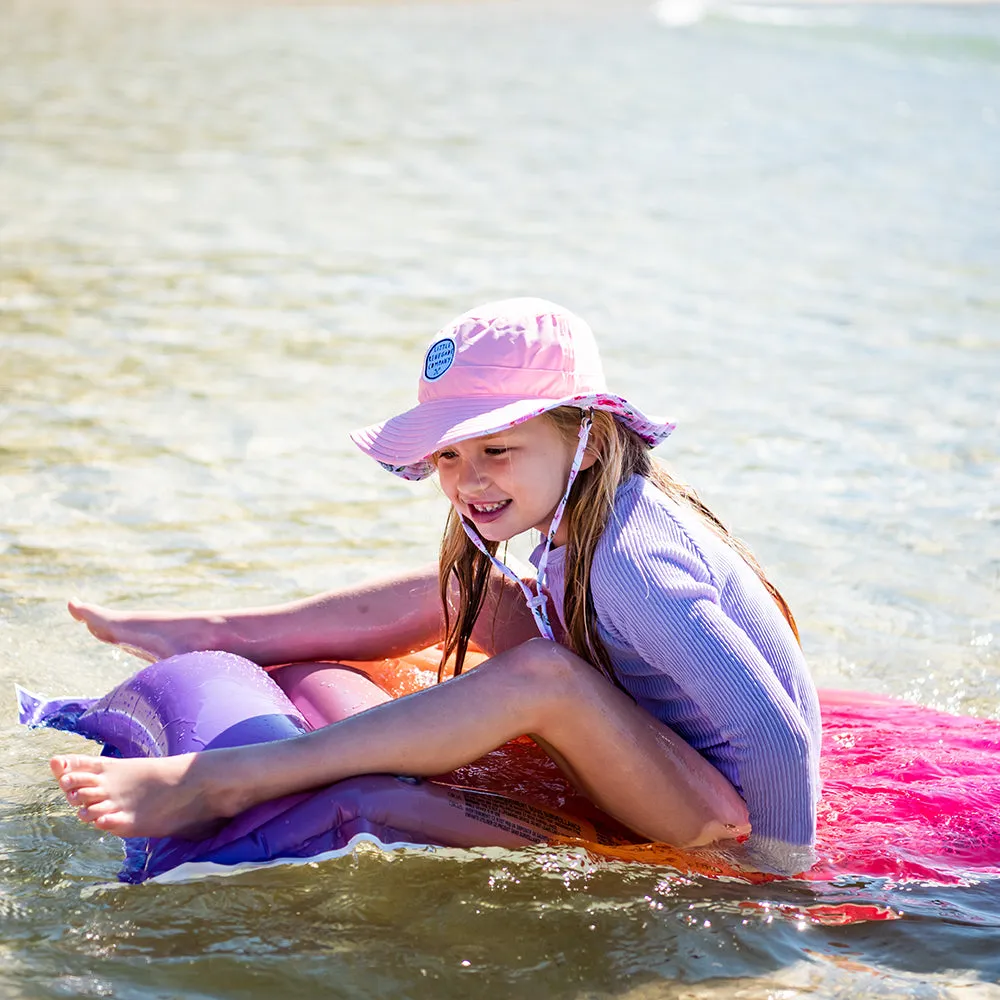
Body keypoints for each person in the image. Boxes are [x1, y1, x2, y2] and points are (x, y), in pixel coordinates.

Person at [51, 298, 821, 874]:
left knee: (547, 677)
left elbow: (777, 735)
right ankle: (221, 632)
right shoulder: (577, 516)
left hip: (720, 813)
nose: (468, 479)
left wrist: (773, 876)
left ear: (588, 442)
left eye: (496, 448)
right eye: (448, 455)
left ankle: (224, 779)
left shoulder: (635, 561)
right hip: (667, 746)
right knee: (476, 590)